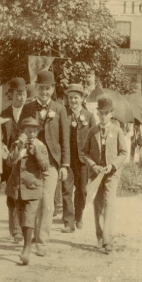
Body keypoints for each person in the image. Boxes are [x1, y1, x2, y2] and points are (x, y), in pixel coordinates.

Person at [22, 70, 70, 257]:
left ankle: (42, 241)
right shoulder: (28, 108)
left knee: (47, 201)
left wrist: (65, 165)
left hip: (52, 162)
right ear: (36, 88)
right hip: (32, 163)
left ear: (52, 89)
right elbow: (21, 132)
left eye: (47, 88)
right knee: (33, 199)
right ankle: (31, 235)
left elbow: (65, 140)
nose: (44, 92)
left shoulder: (59, 109)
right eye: (41, 88)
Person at [81, 95, 128, 254]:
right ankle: (100, 237)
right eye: (100, 113)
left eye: (106, 113)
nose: (103, 116)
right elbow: (84, 153)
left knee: (109, 202)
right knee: (98, 204)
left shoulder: (117, 131)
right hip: (96, 173)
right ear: (97, 113)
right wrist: (93, 165)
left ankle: (108, 240)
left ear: (111, 113)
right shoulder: (92, 131)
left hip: (111, 173)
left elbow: (123, 153)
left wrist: (112, 165)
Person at [4, 116, 50, 265]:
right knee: (22, 218)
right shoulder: (17, 144)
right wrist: (19, 147)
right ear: (22, 131)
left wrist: (36, 151)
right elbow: (10, 161)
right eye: (29, 131)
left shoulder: (40, 146)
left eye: (35, 131)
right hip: (18, 188)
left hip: (33, 188)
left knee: (29, 217)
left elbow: (45, 167)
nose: (32, 134)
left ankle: (27, 248)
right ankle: (26, 244)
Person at [0, 77, 29, 242]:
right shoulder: (4, 114)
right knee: (12, 195)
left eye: (24, 94)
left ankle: (24, 228)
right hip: (10, 160)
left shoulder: (30, 111)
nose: (21, 97)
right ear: (11, 94)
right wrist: (2, 145)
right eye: (18, 94)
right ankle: (15, 230)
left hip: (26, 160)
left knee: (25, 195)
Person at [61, 83, 93, 232]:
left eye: (75, 98)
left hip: (83, 161)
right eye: (70, 97)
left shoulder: (89, 116)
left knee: (82, 190)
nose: (73, 101)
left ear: (82, 99)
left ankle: (79, 216)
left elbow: (94, 139)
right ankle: (68, 222)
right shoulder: (63, 113)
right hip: (67, 159)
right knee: (66, 189)